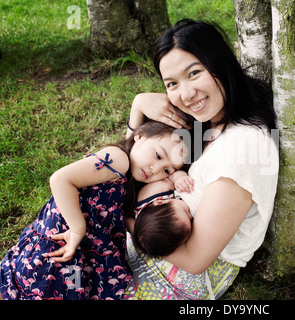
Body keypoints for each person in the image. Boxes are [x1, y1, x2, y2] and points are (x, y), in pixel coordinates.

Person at [124, 19, 279, 300]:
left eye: (194, 73)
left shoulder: (244, 150)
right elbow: (132, 167)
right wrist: (137, 110)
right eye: (172, 83)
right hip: (153, 243)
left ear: (221, 64)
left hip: (176, 275)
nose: (185, 94)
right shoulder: (207, 122)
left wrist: (127, 220)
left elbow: (195, 260)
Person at [0, 121, 188, 300]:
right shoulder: (118, 160)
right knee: (37, 283)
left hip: (83, 252)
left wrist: (178, 175)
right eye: (158, 155)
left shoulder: (131, 180)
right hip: (64, 236)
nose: (156, 169)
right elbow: (60, 179)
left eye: (166, 170)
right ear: (139, 136)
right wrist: (76, 228)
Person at [128, 169, 195, 258]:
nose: (191, 215)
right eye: (190, 220)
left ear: (160, 202)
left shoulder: (155, 191)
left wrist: (180, 179)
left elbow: (173, 176)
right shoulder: (161, 231)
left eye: (186, 212)